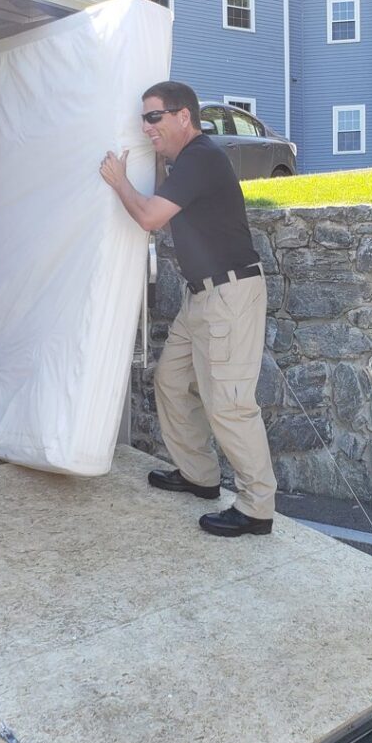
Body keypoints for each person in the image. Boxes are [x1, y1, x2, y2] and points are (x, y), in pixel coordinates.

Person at [99, 81, 277, 537]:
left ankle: (257, 508)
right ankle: (199, 476)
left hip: (229, 295)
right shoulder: (187, 162)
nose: (146, 127)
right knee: (172, 380)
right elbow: (165, 214)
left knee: (230, 404)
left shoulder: (201, 157)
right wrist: (156, 163)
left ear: (184, 116)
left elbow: (149, 218)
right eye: (143, 119)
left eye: (153, 117)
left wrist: (119, 182)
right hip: (201, 295)